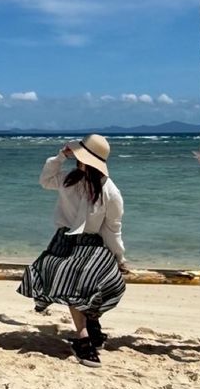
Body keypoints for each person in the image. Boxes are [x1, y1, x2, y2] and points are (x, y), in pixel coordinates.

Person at [18, 133, 128, 367]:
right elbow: (46, 180)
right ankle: (84, 337)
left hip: (92, 245)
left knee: (103, 280)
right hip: (63, 243)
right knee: (71, 276)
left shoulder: (110, 192)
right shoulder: (69, 179)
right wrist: (60, 156)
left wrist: (119, 256)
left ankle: (91, 325)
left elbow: (112, 230)